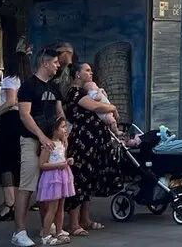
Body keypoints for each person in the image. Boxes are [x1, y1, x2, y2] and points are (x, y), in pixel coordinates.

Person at [12, 49, 63, 247]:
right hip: (31, 140)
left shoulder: (54, 87)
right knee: (27, 186)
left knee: (48, 185)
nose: (58, 66)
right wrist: (41, 136)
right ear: (45, 63)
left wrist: (62, 135)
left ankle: (47, 226)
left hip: (50, 142)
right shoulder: (28, 86)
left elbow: (59, 113)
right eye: (56, 62)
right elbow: (25, 115)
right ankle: (19, 231)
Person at [64, 63, 121, 237]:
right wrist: (112, 107)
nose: (91, 73)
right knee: (80, 181)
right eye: (86, 70)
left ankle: (85, 219)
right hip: (83, 142)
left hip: (93, 142)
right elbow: (96, 107)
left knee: (89, 180)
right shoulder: (75, 92)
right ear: (77, 74)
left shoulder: (87, 92)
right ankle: (74, 223)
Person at [0, 51, 32, 222]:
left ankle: (9, 202)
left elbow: (11, 101)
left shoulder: (9, 80)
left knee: (4, 162)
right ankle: (17, 202)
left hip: (8, 121)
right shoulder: (28, 81)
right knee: (17, 162)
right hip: (23, 120)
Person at [37, 117, 75, 246]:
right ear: (54, 129)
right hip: (53, 178)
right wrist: (58, 166)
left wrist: (67, 161)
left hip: (63, 176)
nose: (65, 130)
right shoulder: (49, 145)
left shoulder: (63, 143)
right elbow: (42, 164)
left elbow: (62, 158)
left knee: (60, 207)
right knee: (52, 208)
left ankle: (59, 231)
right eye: (63, 127)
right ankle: (46, 234)